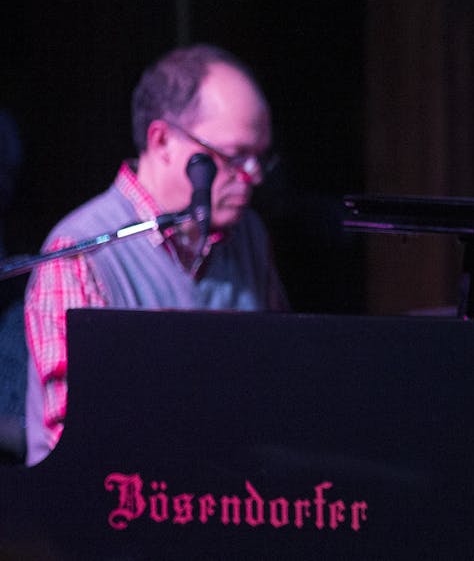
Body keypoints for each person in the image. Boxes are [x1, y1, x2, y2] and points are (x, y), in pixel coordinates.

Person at [24, 44, 288, 465]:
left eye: (260, 159)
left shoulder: (248, 236)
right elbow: (72, 445)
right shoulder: (79, 252)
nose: (251, 177)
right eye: (235, 156)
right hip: (118, 510)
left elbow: (280, 388)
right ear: (162, 140)